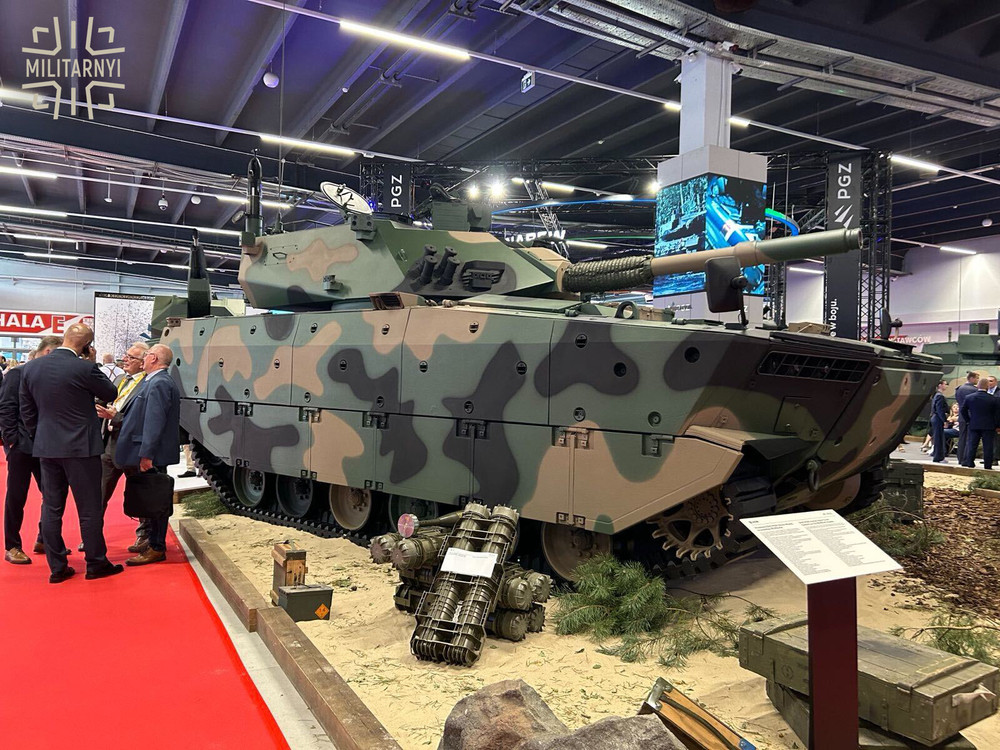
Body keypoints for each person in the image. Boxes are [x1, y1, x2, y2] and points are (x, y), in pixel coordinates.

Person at [19, 323, 122, 583]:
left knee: (51, 506)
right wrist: (92, 363)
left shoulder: (31, 367)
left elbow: (26, 409)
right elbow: (111, 392)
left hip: (47, 446)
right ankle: (96, 563)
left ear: (64, 337)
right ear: (87, 346)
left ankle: (57, 567)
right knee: (89, 508)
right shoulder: (85, 368)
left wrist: (40, 435)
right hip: (81, 448)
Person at [115, 343, 180, 566]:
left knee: (156, 501)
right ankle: (152, 542)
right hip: (151, 451)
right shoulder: (153, 381)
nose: (143, 358)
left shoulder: (159, 383)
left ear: (154, 358)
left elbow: (154, 421)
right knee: (153, 500)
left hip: (153, 454)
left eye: (147, 355)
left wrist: (146, 454)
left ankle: (156, 547)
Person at [0, 336, 62, 564]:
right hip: (21, 446)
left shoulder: (49, 375)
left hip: (46, 445)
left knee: (52, 494)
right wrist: (12, 441)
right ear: (47, 352)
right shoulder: (17, 374)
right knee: (17, 496)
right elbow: (6, 407)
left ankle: (45, 539)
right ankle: (12, 546)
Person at [92, 342, 149, 553]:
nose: (125, 359)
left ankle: (144, 536)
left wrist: (116, 417)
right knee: (98, 495)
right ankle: (92, 537)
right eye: (126, 355)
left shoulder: (148, 385)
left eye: (131, 357)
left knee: (140, 494)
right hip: (108, 444)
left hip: (133, 447)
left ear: (143, 363)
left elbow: (144, 419)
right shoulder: (120, 379)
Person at [960, 377, 999, 470]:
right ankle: (988, 465)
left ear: (977, 386)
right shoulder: (993, 399)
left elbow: (963, 410)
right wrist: (997, 425)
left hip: (974, 424)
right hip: (989, 425)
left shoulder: (969, 397)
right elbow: (997, 414)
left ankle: (970, 463)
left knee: (972, 444)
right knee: (988, 446)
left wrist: (968, 420)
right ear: (987, 387)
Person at [955, 371, 979, 467]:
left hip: (961, 416)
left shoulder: (959, 389)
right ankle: (966, 459)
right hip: (971, 417)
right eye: (977, 378)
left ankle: (960, 458)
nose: (977, 380)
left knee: (962, 438)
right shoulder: (974, 390)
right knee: (969, 439)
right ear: (972, 378)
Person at [930, 380, 949, 463]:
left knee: (938, 437)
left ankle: (937, 455)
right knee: (939, 438)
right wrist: (944, 420)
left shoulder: (937, 395)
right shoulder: (940, 396)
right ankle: (938, 457)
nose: (946, 386)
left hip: (936, 418)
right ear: (940, 385)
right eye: (945, 384)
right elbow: (939, 409)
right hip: (938, 418)